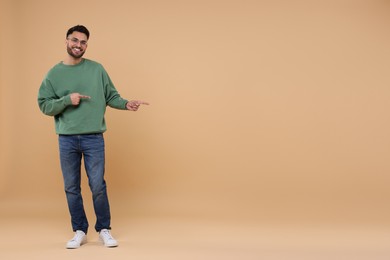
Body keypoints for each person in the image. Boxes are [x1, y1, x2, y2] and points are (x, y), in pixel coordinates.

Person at [37, 25, 149, 249]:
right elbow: (44, 105)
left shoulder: (97, 69)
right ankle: (79, 230)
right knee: (71, 187)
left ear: (87, 45)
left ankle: (104, 229)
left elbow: (111, 96)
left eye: (83, 42)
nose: (79, 45)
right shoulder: (53, 74)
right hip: (66, 139)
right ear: (67, 41)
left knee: (97, 185)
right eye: (75, 40)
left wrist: (127, 104)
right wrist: (67, 100)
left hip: (93, 138)